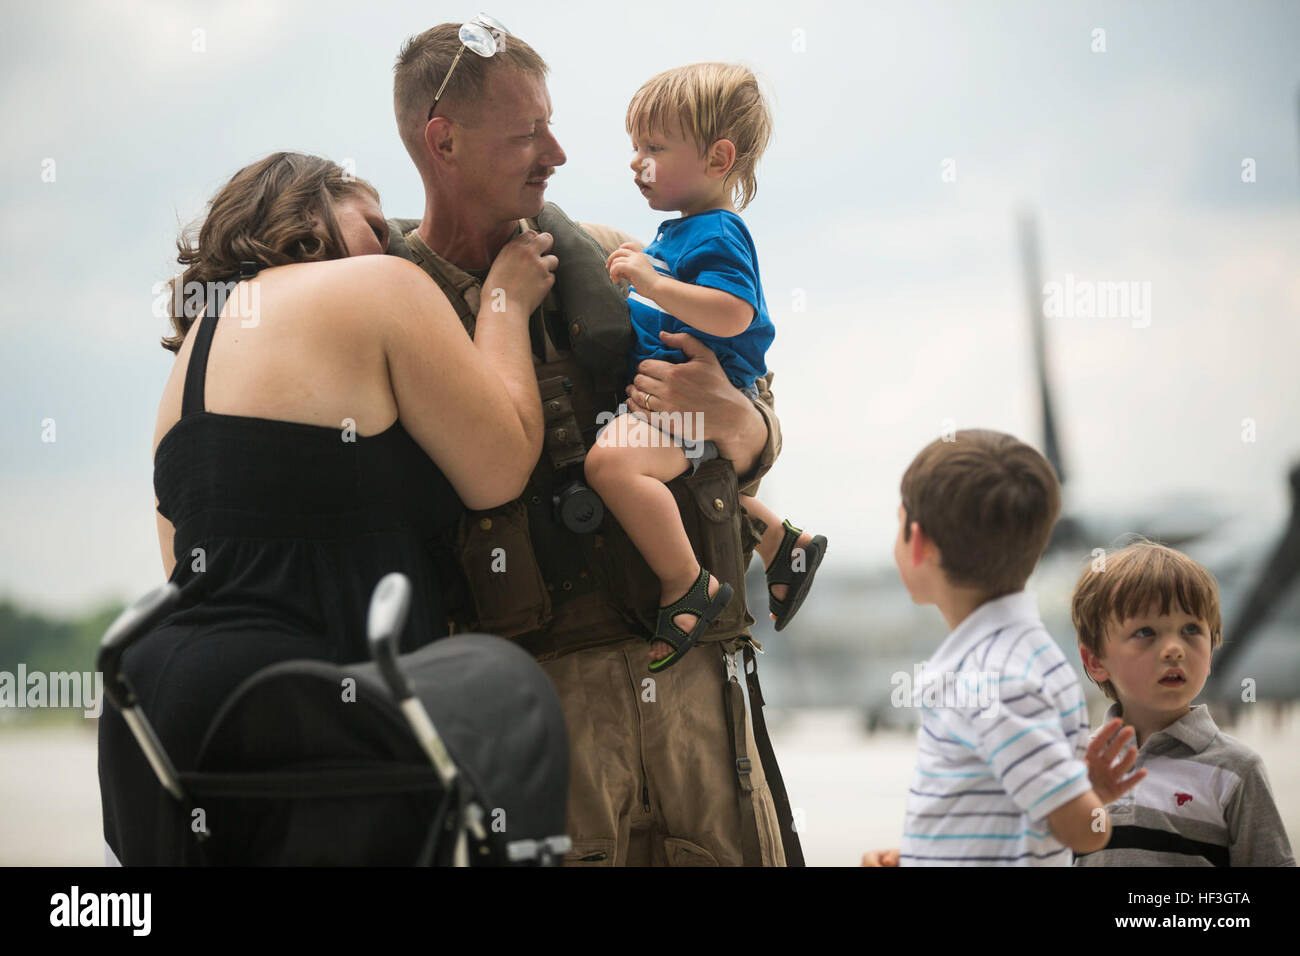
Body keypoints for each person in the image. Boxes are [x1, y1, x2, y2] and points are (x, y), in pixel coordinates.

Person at [387, 21, 798, 865]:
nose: (559, 153)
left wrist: (741, 421)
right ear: (445, 140)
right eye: (526, 132)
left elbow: (751, 415)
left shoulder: (614, 259)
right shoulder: (393, 301)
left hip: (696, 698)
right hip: (543, 708)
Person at [99, 151, 554, 865]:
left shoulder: (190, 365)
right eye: (374, 221)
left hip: (158, 706)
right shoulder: (378, 285)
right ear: (307, 212)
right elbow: (502, 467)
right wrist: (507, 302)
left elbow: (185, 573)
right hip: (312, 707)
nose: (394, 242)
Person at [586, 62, 828, 672]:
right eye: (635, 147)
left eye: (654, 148)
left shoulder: (719, 230)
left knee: (612, 466)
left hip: (690, 395)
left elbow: (733, 312)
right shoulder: (681, 232)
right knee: (684, 485)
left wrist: (650, 280)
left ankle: (687, 585)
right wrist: (653, 265)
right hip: (679, 397)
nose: (636, 162)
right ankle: (780, 542)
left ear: (719, 158)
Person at [860, 429, 1141, 866]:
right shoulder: (1025, 656)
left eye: (899, 522)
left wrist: (1091, 802)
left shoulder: (992, 683)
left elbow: (1081, 832)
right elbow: (1010, 813)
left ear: (919, 544)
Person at [1071, 540, 1296, 866]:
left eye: (1191, 629)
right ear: (1095, 661)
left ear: (1212, 651)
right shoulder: (1076, 764)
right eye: (1146, 632)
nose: (1174, 649)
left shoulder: (1236, 771)